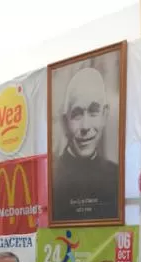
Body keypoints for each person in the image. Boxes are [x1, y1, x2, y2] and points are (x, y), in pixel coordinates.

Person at [52, 67, 120, 223]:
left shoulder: (116, 176)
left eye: (93, 111)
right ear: (65, 122)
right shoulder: (51, 177)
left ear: (105, 115)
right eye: (76, 114)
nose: (85, 126)